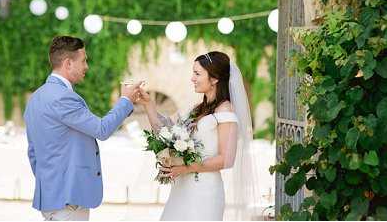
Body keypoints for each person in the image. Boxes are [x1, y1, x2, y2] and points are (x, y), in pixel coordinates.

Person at [24, 36, 141, 221]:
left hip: (51, 196)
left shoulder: (36, 98)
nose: (86, 66)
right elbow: (101, 130)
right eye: (84, 60)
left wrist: (49, 184)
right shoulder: (63, 97)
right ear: (68, 63)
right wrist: (125, 101)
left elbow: (33, 152)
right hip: (68, 198)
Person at [136, 51, 259, 221]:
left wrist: (184, 168)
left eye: (197, 73)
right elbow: (165, 131)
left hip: (205, 191)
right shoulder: (196, 109)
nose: (192, 78)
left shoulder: (226, 112)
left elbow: (226, 160)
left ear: (214, 79)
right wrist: (148, 104)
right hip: (182, 187)